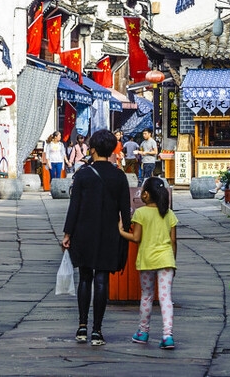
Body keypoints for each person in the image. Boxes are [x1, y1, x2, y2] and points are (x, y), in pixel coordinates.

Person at [62, 129, 131, 347]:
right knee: (102, 279)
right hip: (109, 233)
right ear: (112, 150)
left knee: (85, 277)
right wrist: (126, 232)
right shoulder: (119, 176)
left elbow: (74, 207)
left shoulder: (82, 174)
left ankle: (82, 326)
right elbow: (125, 211)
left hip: (84, 232)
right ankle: (97, 331)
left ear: (92, 149)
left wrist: (67, 233)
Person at [119, 176, 178, 350]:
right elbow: (173, 241)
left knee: (147, 296)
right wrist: (173, 261)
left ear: (146, 194)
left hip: (147, 260)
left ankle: (143, 332)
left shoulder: (141, 213)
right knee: (166, 297)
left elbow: (136, 238)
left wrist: (121, 232)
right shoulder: (169, 213)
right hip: (166, 259)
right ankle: (168, 335)